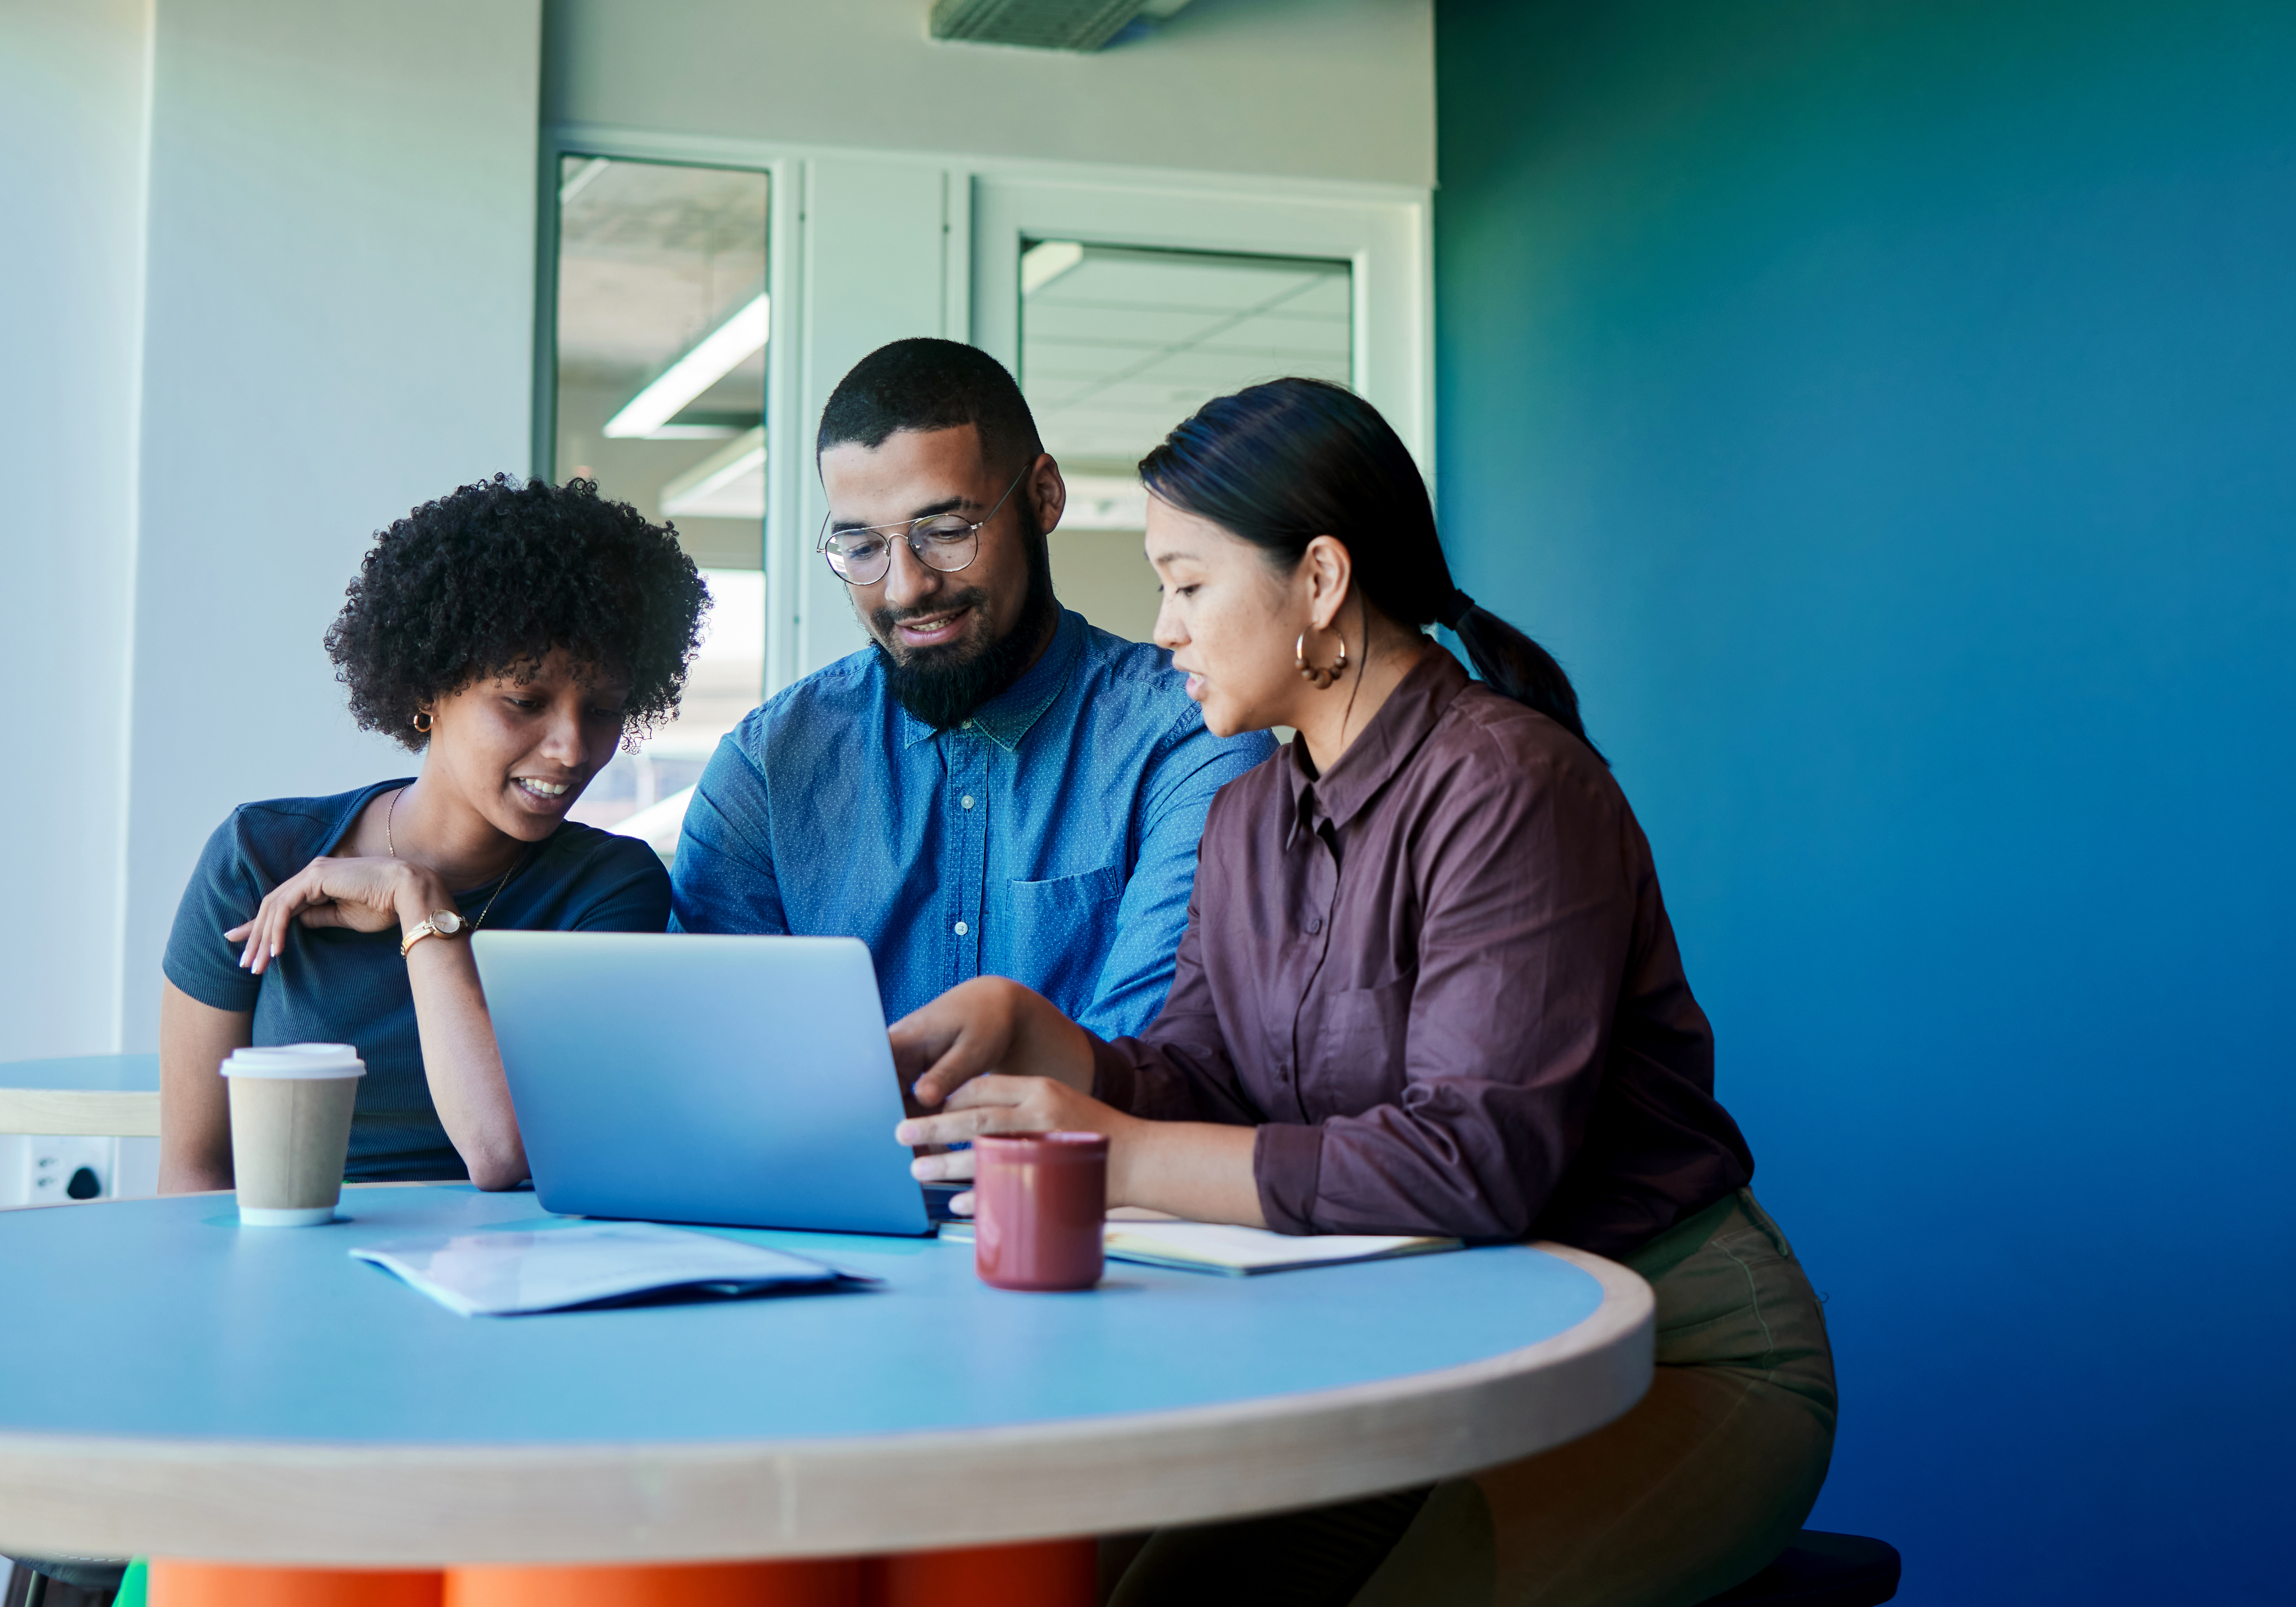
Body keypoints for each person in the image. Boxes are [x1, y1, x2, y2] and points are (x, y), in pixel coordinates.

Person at [888, 379, 1837, 1607]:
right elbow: (1208, 1076)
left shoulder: (1510, 787)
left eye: (1187, 583)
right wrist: (1058, 1046)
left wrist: (1117, 1155)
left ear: (1321, 580)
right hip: (1434, 1347)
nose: (1164, 628)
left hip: (1660, 1345)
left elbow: (1472, 1166)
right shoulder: (1245, 817)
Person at [672, 339, 1272, 1036]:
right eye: (863, 547)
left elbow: (1151, 1059)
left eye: (947, 531)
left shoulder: (1192, 734)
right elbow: (720, 1056)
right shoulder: (766, 770)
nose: (906, 588)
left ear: (1043, 497)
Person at [159, 475, 708, 1192]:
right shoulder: (259, 858)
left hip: (519, 1259)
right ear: (429, 688)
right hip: (299, 1248)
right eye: (525, 700)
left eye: (603, 709)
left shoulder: (609, 889)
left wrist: (419, 904)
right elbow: (195, 1168)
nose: (573, 747)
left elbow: (502, 1151)